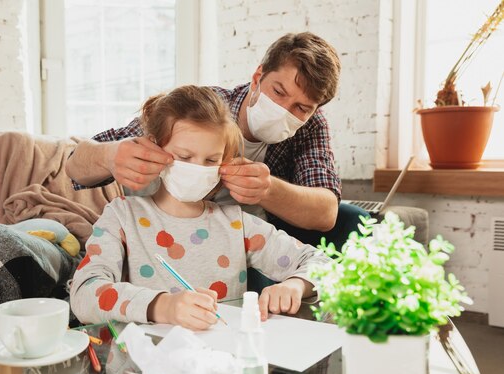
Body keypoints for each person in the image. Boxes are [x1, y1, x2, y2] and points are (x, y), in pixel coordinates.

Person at [66, 32, 368, 252]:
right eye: (279, 91)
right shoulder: (204, 109)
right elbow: (74, 165)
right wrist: (110, 156)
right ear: (257, 76)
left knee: (356, 221)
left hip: (259, 228)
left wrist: (266, 189)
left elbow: (326, 211)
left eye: (301, 108)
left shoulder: (311, 125)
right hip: (190, 232)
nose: (285, 110)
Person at [69, 86, 329, 330]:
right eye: (184, 157)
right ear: (154, 148)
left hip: (220, 362)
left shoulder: (237, 224)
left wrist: (296, 286)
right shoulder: (123, 217)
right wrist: (163, 306)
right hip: (143, 366)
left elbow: (325, 265)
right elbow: (84, 294)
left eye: (211, 160)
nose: (198, 168)